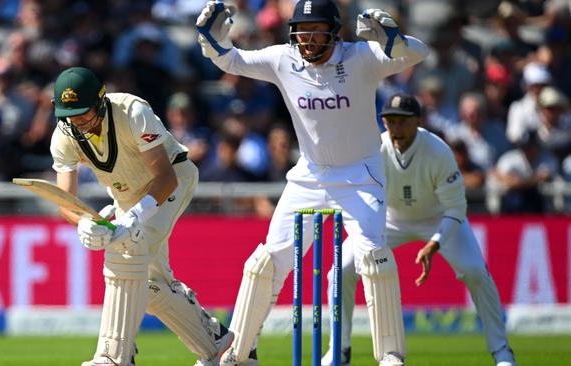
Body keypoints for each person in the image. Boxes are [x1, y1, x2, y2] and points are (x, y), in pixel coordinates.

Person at [196, 1, 429, 365]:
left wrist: (395, 40)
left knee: (373, 258)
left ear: (334, 31)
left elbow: (419, 52)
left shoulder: (361, 57)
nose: (307, 40)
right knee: (266, 262)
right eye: (301, 31)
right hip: (309, 175)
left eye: (316, 31)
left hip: (360, 177)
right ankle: (241, 351)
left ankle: (390, 356)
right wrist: (211, 41)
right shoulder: (283, 59)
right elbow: (231, 60)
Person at [49, 66, 233, 366]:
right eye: (71, 115)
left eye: (83, 113)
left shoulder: (132, 111)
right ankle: (216, 343)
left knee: (127, 248)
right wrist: (83, 222)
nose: (78, 122)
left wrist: (134, 216)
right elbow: (65, 200)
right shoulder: (64, 135)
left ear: (100, 101)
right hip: (127, 197)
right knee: (147, 287)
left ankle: (113, 356)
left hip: (172, 179)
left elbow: (165, 177)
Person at [321, 93, 518, 366]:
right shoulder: (375, 150)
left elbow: (456, 209)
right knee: (340, 271)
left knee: (475, 271)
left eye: (403, 121)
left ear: (417, 121)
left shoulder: (438, 151)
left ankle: (502, 352)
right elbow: (359, 196)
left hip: (439, 218)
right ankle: (339, 349)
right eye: (390, 121)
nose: (396, 128)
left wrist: (435, 243)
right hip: (388, 220)